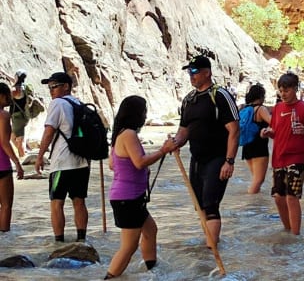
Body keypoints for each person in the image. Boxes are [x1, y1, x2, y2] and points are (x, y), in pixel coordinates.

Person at [167, 54, 239, 247]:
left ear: (207, 73)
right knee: (199, 205)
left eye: (194, 72)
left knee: (210, 203)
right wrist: (174, 143)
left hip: (218, 158)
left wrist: (229, 161)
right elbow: (184, 131)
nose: (191, 76)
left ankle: (210, 250)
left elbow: (234, 130)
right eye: (189, 72)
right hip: (197, 160)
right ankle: (209, 245)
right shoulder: (188, 100)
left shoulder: (221, 96)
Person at [105, 96, 172, 278]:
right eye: (144, 112)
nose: (145, 115)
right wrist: (162, 151)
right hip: (128, 198)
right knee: (129, 247)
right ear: (136, 114)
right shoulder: (128, 134)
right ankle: (108, 277)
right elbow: (139, 162)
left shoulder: (120, 134)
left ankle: (152, 271)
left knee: (151, 230)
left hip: (127, 197)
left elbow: (113, 164)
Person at [34, 71, 90, 242]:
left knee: (56, 202)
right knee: (79, 201)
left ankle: (59, 242)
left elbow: (49, 131)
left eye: (54, 86)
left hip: (62, 162)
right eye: (49, 87)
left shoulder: (58, 103)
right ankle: (81, 240)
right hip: (81, 162)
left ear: (66, 86)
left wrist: (40, 156)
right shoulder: (79, 104)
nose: (51, 90)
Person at [263, 72, 304, 234]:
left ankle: (295, 234)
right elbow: (275, 131)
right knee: (278, 197)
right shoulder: (278, 108)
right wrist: (267, 132)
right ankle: (287, 231)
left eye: (286, 90)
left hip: (298, 157)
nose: (283, 94)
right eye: (281, 90)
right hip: (279, 158)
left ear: (295, 89)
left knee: (292, 197)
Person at [0, 82, 24, 232]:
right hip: (1, 165)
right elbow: (3, 142)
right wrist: (17, 163)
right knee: (6, 205)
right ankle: (4, 237)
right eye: (7, 95)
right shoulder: (3, 115)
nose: (10, 98)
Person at [240, 84, 272, 194]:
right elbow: (273, 122)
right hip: (259, 147)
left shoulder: (244, 108)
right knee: (258, 180)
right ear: (261, 96)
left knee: (255, 178)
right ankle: (250, 202)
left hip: (247, 146)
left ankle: (256, 203)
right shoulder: (260, 109)